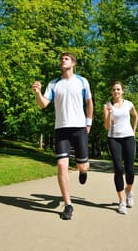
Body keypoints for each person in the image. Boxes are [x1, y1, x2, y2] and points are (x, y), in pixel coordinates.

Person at [32, 52, 93, 220]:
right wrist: (37, 92)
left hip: (80, 128)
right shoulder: (54, 84)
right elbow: (44, 104)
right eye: (61, 59)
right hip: (61, 129)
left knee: (83, 166)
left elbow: (88, 102)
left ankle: (83, 170)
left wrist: (89, 123)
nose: (62, 61)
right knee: (61, 165)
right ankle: (68, 204)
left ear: (73, 63)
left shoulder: (82, 81)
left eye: (66, 59)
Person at [103, 81, 138, 215]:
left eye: (118, 89)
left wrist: (133, 131)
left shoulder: (129, 104)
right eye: (113, 90)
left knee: (129, 169)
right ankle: (122, 201)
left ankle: (129, 190)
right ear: (111, 92)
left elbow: (135, 116)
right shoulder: (107, 106)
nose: (116, 92)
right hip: (113, 138)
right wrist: (110, 113)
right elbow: (106, 126)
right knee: (118, 168)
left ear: (122, 91)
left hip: (128, 137)